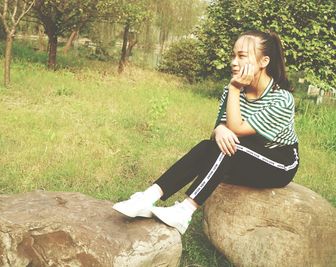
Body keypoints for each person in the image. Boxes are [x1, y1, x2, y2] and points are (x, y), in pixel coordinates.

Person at [113, 30, 299, 235]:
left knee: (229, 147)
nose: (234, 62)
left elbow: (236, 129)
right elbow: (220, 128)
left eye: (242, 56)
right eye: (233, 55)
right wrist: (219, 129)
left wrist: (234, 91)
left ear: (264, 61)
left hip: (279, 163)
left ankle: (184, 212)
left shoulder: (281, 99)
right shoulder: (232, 90)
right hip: (244, 153)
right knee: (207, 146)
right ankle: (147, 197)